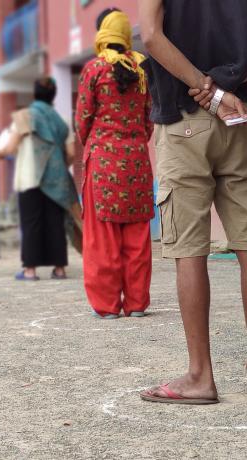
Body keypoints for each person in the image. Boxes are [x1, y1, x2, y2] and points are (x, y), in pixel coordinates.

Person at [138, 0, 247, 404]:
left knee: (190, 251)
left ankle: (200, 376)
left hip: (183, 118)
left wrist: (207, 89)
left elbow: (151, 35)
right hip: (244, 115)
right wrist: (230, 81)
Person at [75, 8, 154, 319]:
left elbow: (82, 121)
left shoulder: (94, 69)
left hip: (104, 165)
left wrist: (97, 140)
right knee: (137, 237)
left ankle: (107, 306)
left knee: (103, 238)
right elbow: (149, 122)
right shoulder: (141, 71)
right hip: (137, 162)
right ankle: (136, 304)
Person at [0, 77, 81, 281]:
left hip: (30, 178)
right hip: (56, 179)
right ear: (53, 95)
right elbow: (72, 153)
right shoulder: (62, 120)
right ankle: (59, 269)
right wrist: (57, 166)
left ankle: (30, 271)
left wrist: (0, 153)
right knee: (55, 223)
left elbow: (11, 147)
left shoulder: (25, 115)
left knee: (31, 223)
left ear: (34, 94)